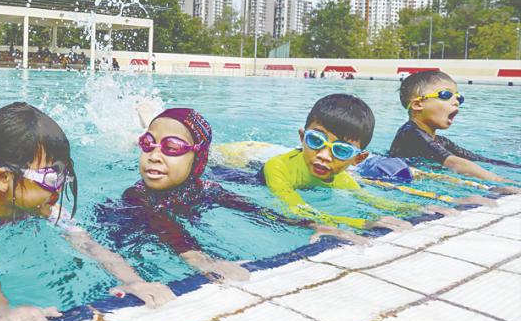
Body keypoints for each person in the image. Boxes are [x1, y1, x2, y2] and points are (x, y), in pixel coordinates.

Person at [0, 103, 174, 321]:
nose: (60, 186)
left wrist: (133, 280)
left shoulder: (46, 207)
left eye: (64, 174)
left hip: (6, 195)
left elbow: (90, 246)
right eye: (51, 177)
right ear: (1, 178)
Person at [97, 108, 361, 282]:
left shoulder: (206, 188)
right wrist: (198, 258)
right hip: (131, 232)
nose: (154, 155)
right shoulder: (136, 195)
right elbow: (161, 224)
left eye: (172, 147)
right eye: (148, 144)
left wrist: (310, 224)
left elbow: (255, 210)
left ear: (198, 157)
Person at [261, 94, 431, 231]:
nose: (324, 156)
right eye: (315, 140)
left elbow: (373, 200)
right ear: (302, 138)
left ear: (357, 159)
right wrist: (361, 223)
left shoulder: (343, 179)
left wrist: (421, 209)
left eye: (341, 151)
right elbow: (294, 209)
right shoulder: (277, 167)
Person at [389, 71, 521, 185]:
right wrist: (500, 180)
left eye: (459, 97)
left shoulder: (440, 141)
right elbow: (454, 163)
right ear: (418, 104)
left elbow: (478, 159)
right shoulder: (410, 134)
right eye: (445, 95)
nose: (456, 101)